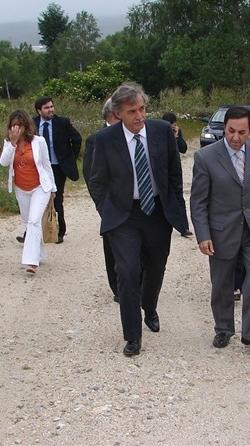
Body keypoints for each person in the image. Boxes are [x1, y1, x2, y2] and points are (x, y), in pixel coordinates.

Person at [89, 83, 189, 356]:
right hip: (124, 215)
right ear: (118, 113)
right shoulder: (105, 139)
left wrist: (176, 208)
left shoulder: (161, 132)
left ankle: (151, 307)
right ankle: (132, 336)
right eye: (132, 111)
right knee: (128, 271)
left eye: (142, 109)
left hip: (157, 212)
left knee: (156, 267)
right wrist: (106, 210)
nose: (139, 116)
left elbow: (173, 175)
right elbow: (97, 181)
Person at [190, 106, 250, 353]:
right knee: (222, 284)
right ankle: (223, 329)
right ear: (224, 128)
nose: (235, 137)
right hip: (221, 231)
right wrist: (203, 235)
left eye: (242, 132)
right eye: (230, 131)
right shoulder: (206, 157)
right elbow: (198, 201)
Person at [0, 109, 57, 274]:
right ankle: (38, 253)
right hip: (21, 188)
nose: (17, 129)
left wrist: (53, 188)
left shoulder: (39, 142)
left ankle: (31, 261)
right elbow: (3, 162)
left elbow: (46, 165)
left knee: (33, 221)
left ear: (26, 126)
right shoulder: (9, 143)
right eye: (13, 126)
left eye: (20, 126)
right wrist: (12, 143)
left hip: (40, 187)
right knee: (28, 221)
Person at [28, 97, 82, 245]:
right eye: (46, 108)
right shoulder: (33, 124)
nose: (50, 110)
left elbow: (77, 139)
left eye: (52, 106)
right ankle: (30, 233)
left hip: (58, 166)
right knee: (36, 199)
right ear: (39, 111)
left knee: (56, 198)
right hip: (39, 168)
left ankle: (60, 231)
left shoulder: (62, 122)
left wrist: (70, 158)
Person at [83, 99, 120, 301]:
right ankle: (117, 287)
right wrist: (104, 208)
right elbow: (91, 177)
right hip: (111, 205)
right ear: (113, 115)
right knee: (113, 246)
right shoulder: (95, 140)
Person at [161, 111, 193, 238]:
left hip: (175, 170)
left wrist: (176, 136)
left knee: (179, 197)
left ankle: (184, 227)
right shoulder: (158, 132)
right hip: (162, 169)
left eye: (173, 126)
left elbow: (183, 149)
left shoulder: (176, 132)